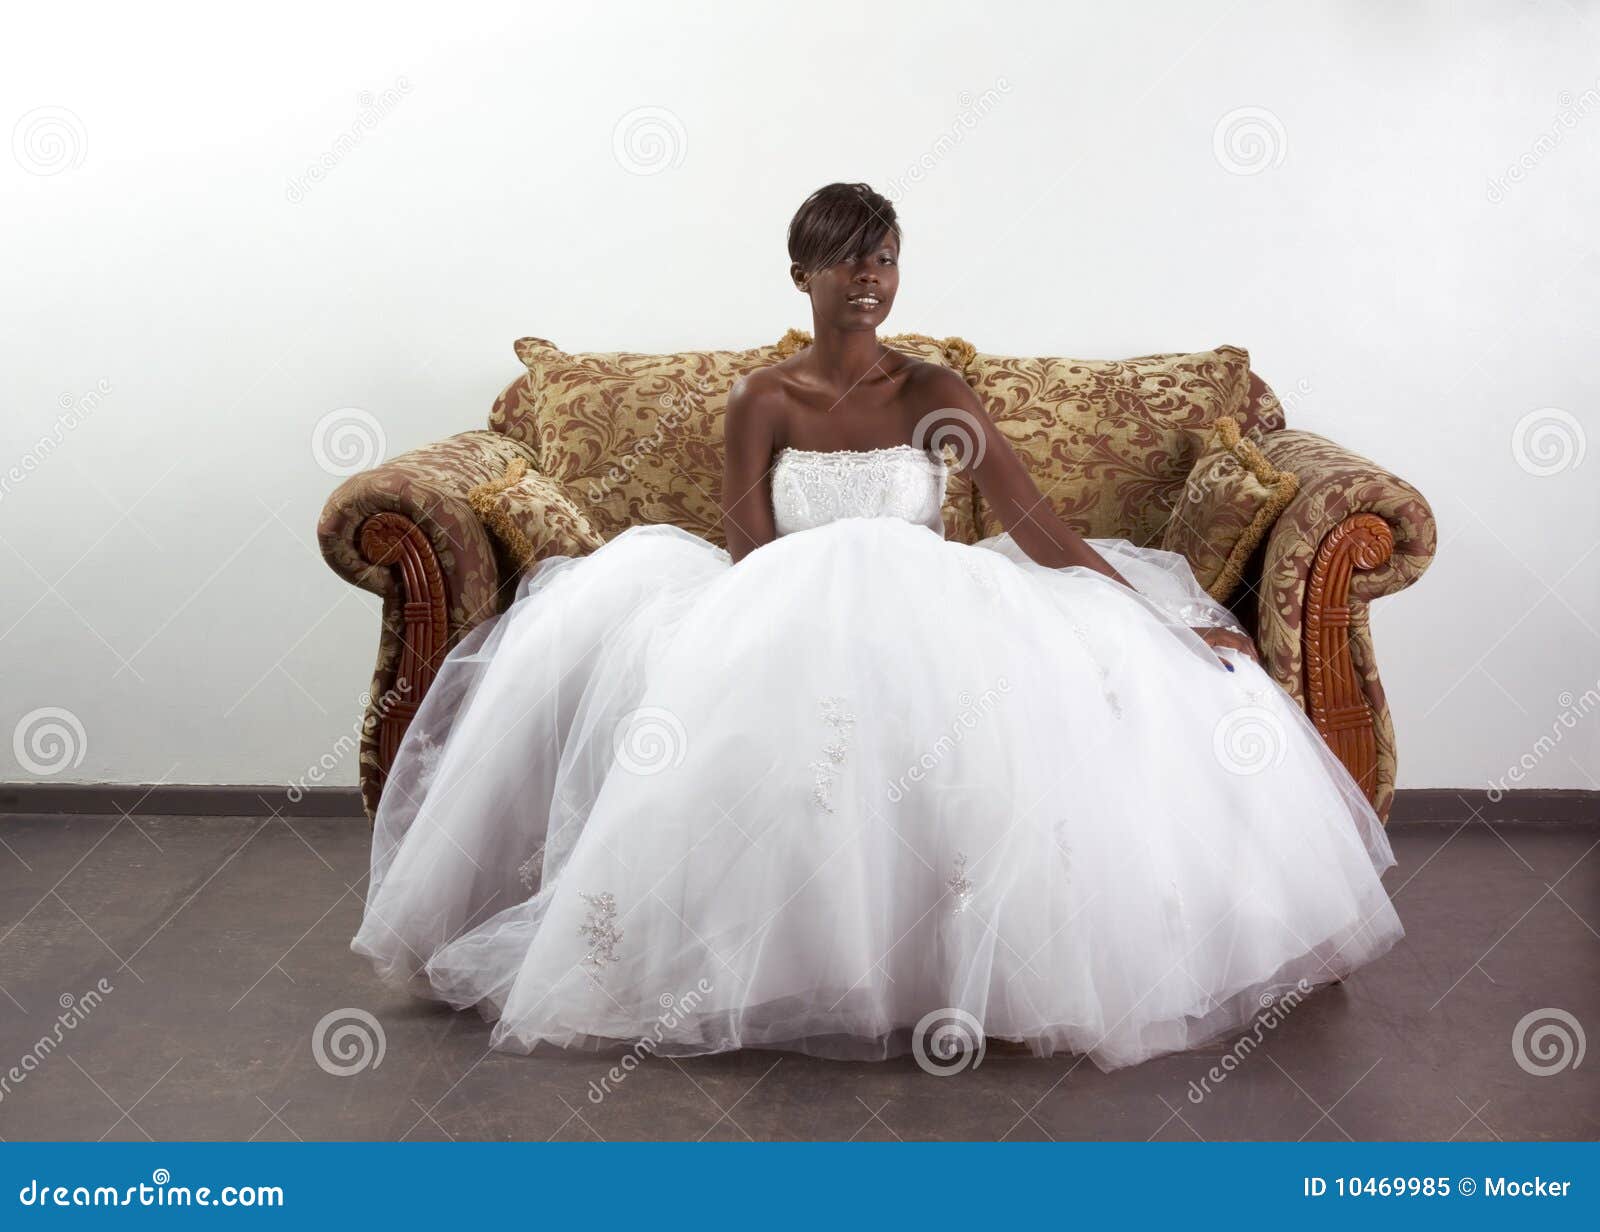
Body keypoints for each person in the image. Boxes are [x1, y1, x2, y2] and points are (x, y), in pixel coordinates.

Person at [351, 182, 1402, 1072]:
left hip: (935, 607)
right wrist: (785, 627)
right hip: (783, 603)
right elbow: (748, 543)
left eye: (883, 260)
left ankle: (952, 964)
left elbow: (1031, 521)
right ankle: (772, 957)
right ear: (800, 275)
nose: (866, 280)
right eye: (844, 262)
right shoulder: (763, 397)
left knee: (1046, 704)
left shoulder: (930, 389)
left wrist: (1163, 614)